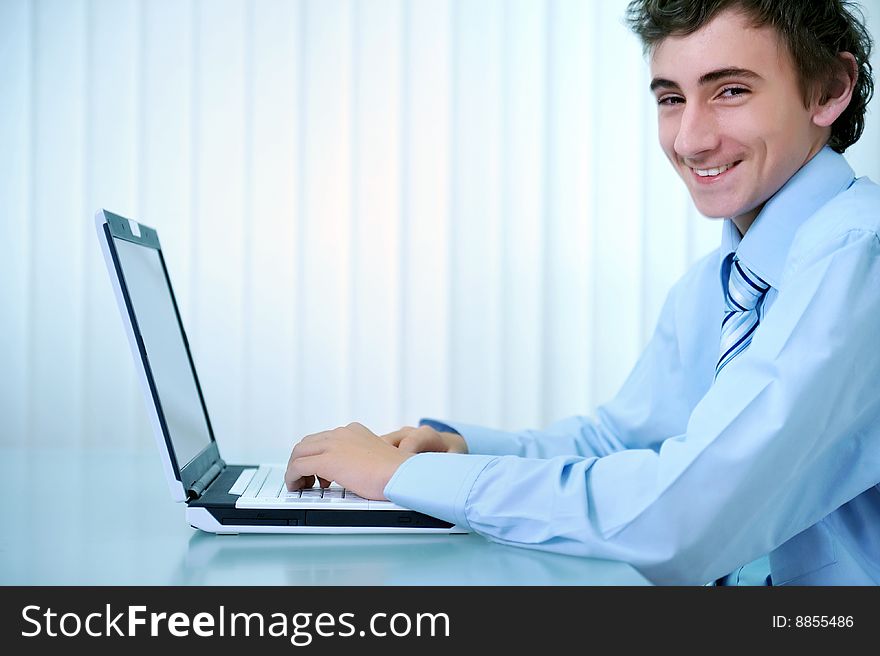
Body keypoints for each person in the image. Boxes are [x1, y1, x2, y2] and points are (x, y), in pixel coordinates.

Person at [284, 0, 880, 586]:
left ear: (829, 89)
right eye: (671, 99)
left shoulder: (859, 262)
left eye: (730, 91)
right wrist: (454, 451)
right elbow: (621, 441)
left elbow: (682, 519)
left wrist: (401, 478)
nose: (691, 139)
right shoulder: (718, 284)